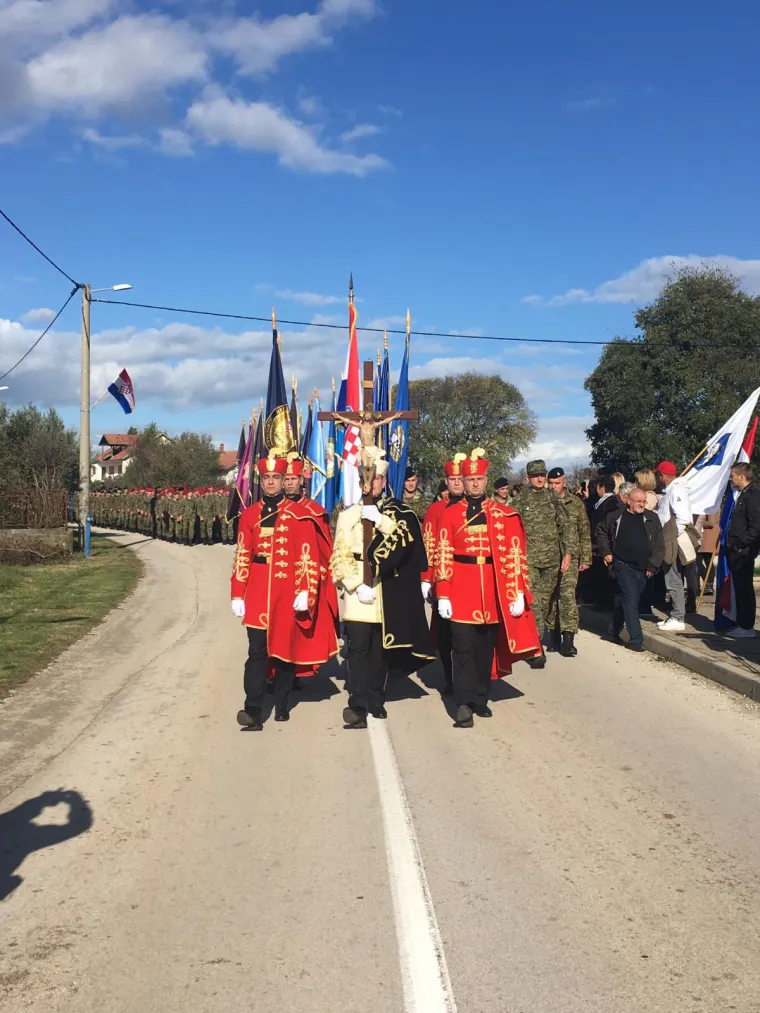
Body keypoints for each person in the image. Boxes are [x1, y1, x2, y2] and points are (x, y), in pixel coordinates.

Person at [231, 453, 339, 730]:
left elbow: (308, 556)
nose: (270, 483)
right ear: (261, 480)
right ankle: (253, 709)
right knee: (256, 652)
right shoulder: (249, 515)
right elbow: (243, 552)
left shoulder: (299, 515)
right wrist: (237, 592)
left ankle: (282, 701)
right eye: (266, 478)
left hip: (286, 590)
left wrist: (305, 590)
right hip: (256, 591)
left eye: (275, 478)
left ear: (283, 480)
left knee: (282, 652)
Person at [434, 448, 542, 726]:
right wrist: (442, 592)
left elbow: (516, 553)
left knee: (485, 649)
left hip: (493, 588)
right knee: (463, 648)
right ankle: (463, 702)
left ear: (485, 479)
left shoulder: (502, 514)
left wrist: (517, 590)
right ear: (464, 481)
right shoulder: (450, 514)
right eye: (470, 479)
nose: (474, 484)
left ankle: (481, 696)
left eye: (479, 479)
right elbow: (443, 552)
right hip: (461, 587)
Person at [332, 453, 434, 728]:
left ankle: (377, 699)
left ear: (384, 480)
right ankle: (357, 703)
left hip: (385, 591)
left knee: (379, 650)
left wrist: (380, 520)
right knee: (357, 650)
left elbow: (406, 539)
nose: (371, 483)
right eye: (367, 477)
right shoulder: (347, 515)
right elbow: (339, 558)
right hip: (357, 594)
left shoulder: (394, 514)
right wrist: (356, 585)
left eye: (376, 477)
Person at [510, 460, 576, 667]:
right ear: (528, 478)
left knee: (547, 601)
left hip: (552, 560)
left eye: (542, 475)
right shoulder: (520, 501)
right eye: (535, 475)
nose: (540, 478)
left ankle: (551, 636)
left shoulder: (553, 498)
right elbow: (510, 528)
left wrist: (568, 553)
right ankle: (536, 647)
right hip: (529, 559)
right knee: (535, 602)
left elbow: (567, 526)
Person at [597, 487, 664, 652]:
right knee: (630, 601)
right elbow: (601, 532)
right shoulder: (616, 517)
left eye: (643, 502)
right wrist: (606, 552)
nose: (641, 505)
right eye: (638, 501)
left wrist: (653, 565)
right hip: (622, 564)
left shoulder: (651, 518)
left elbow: (659, 544)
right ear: (628, 500)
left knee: (623, 599)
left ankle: (613, 630)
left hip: (643, 567)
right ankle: (636, 640)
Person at [421, 454, 466, 695]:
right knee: (447, 634)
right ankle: (450, 678)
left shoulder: (478, 507)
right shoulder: (436, 510)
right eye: (453, 479)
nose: (457, 483)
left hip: (470, 579)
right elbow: (428, 545)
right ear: (446, 481)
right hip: (444, 578)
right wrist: (426, 578)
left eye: (461, 478)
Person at [547, 466, 592, 656]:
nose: (553, 486)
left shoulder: (575, 503)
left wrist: (586, 558)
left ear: (564, 483)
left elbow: (584, 531)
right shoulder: (543, 503)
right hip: (547, 558)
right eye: (550, 483)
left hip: (571, 556)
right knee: (551, 597)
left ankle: (568, 638)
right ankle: (554, 633)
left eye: (557, 483)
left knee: (567, 595)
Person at [655, 460, 692, 632]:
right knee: (671, 576)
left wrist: (671, 536)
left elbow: (683, 517)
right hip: (669, 536)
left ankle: (678, 616)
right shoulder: (672, 490)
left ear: (663, 475)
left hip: (671, 537)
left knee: (673, 577)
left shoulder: (676, 490)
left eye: (659, 475)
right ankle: (676, 614)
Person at [724, 462, 760, 638]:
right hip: (735, 549)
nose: (731, 478)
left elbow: (755, 526)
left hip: (743, 552)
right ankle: (741, 623)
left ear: (741, 476)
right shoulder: (742, 495)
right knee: (739, 587)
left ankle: (747, 626)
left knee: (744, 588)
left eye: (733, 475)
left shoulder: (753, 495)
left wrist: (740, 543)